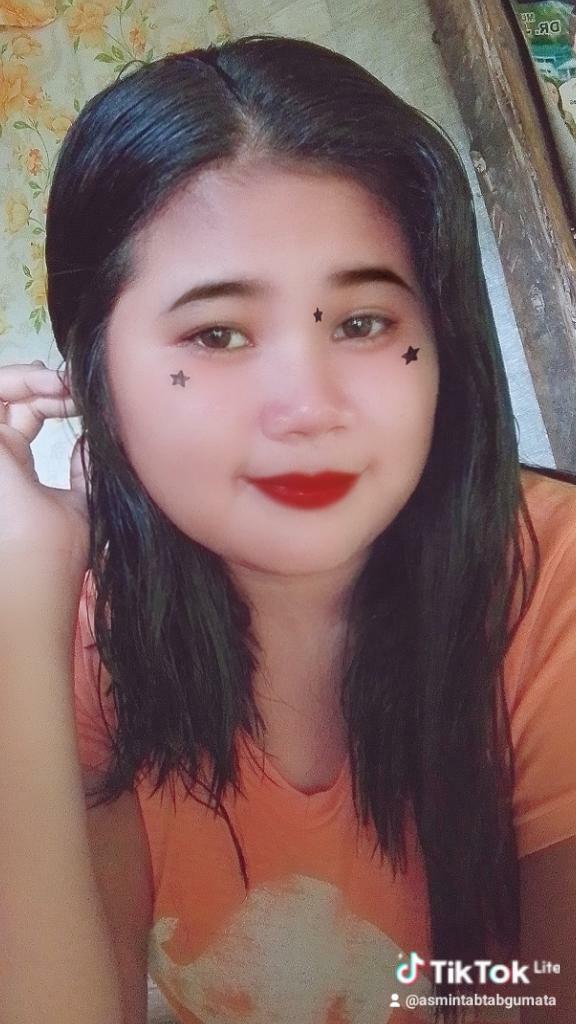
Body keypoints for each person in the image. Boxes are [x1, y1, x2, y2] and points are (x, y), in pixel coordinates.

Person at [0, 33, 575, 1024]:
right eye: (217, 334)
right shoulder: (83, 626)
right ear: (93, 375)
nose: (307, 407)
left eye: (362, 323)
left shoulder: (549, 582)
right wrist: (15, 604)